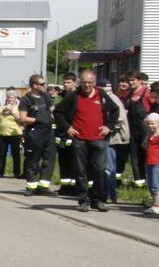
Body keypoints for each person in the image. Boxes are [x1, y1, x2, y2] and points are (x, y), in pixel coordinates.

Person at [53, 70, 119, 212]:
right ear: (80, 82)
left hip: (99, 139)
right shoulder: (74, 96)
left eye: (89, 82)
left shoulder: (101, 94)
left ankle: (98, 200)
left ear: (94, 83)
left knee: (100, 170)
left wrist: (108, 127)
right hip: (80, 139)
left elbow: (115, 111)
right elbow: (58, 112)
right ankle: (83, 200)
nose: (87, 85)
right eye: (84, 82)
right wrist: (67, 128)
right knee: (80, 171)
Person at [18, 74, 56, 196]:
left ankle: (44, 186)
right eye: (42, 84)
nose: (44, 86)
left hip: (48, 133)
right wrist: (37, 120)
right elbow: (23, 118)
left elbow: (52, 110)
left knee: (49, 160)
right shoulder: (26, 100)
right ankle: (31, 186)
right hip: (35, 133)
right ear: (34, 85)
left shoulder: (46, 96)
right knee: (33, 160)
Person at [100, 78, 129, 204]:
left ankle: (110, 194)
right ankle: (103, 193)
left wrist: (108, 128)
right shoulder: (109, 97)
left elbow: (120, 118)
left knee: (109, 167)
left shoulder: (110, 98)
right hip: (105, 138)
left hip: (110, 139)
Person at [126, 71, 152, 188]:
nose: (130, 82)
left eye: (133, 80)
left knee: (148, 156)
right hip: (133, 130)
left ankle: (151, 183)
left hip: (146, 130)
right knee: (135, 158)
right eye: (129, 80)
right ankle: (139, 183)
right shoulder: (130, 94)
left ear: (140, 80)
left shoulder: (147, 93)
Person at [56, 73, 79, 194]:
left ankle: (75, 187)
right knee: (63, 161)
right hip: (61, 132)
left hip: (73, 131)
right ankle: (65, 187)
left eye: (68, 82)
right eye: (64, 82)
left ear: (75, 83)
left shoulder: (78, 96)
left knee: (74, 161)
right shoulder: (61, 96)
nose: (66, 85)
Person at [0, 89, 23, 178]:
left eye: (12, 98)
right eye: (9, 98)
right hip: (2, 133)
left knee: (16, 154)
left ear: (15, 99)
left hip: (15, 133)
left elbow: (20, 119)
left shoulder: (18, 108)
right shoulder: (2, 107)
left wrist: (13, 113)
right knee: (2, 153)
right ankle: (0, 172)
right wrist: (2, 111)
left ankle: (16, 173)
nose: (10, 100)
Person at [143, 112, 159, 215]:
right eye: (149, 124)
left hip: (157, 162)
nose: (150, 126)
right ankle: (155, 204)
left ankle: (157, 206)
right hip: (149, 161)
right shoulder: (150, 135)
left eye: (153, 123)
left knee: (155, 185)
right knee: (150, 184)